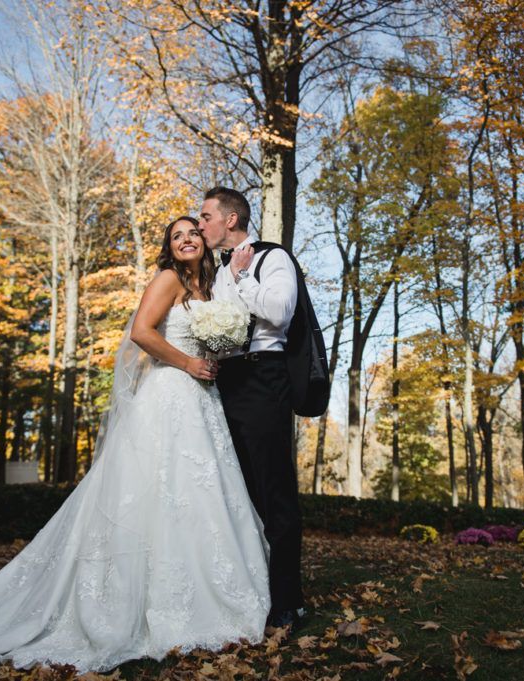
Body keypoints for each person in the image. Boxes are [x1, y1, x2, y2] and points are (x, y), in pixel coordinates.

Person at [0, 217, 270, 677]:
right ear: (169, 248)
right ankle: (140, 603)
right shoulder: (168, 279)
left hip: (201, 404)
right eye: (176, 236)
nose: (186, 240)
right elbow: (142, 332)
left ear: (203, 240)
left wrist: (214, 351)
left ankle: (201, 595)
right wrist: (189, 363)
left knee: (196, 497)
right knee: (155, 493)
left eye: (192, 232)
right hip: (169, 397)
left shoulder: (209, 290)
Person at [197, 187, 305, 629]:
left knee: (272, 488)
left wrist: (243, 278)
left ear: (231, 219)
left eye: (206, 217)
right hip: (227, 381)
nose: (200, 224)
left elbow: (280, 313)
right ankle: (249, 589)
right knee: (237, 490)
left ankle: (288, 600)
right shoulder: (216, 272)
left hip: (264, 378)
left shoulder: (271, 258)